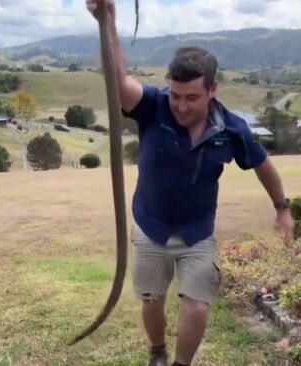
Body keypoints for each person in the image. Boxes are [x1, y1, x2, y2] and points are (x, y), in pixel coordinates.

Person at [86, 1, 294, 365]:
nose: (180, 106)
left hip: (198, 231)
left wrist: (282, 208)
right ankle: (157, 351)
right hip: (151, 225)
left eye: (191, 97)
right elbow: (119, 84)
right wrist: (108, 20)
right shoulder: (154, 106)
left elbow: (262, 164)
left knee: (197, 307)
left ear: (212, 90)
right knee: (152, 302)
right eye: (176, 95)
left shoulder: (231, 130)